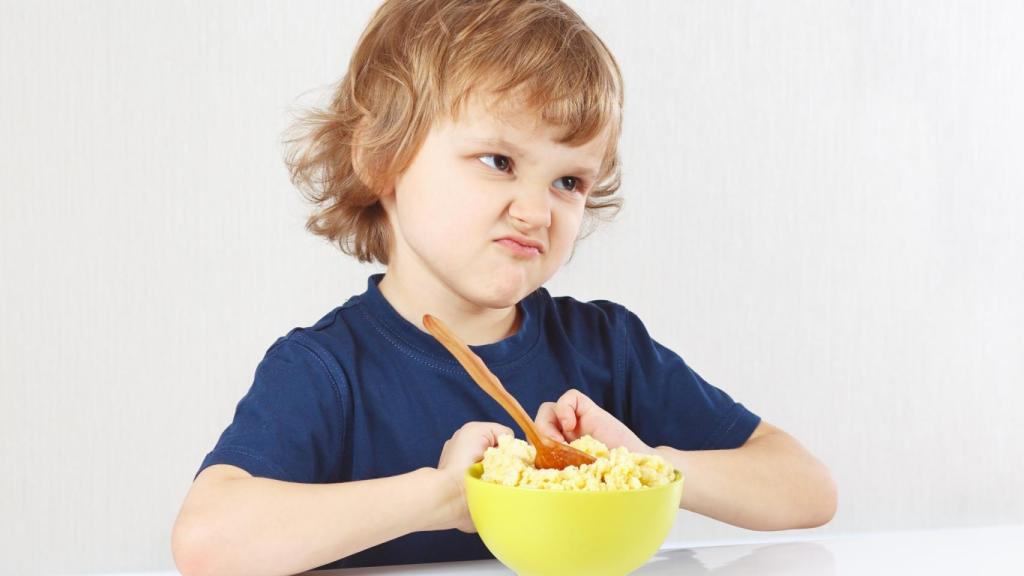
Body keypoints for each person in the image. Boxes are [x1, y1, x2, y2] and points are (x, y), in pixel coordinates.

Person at [171, 1, 837, 574]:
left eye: (568, 182)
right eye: (499, 162)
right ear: (382, 157)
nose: (536, 211)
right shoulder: (327, 370)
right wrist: (443, 496)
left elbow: (807, 489)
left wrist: (643, 465)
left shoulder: (606, 349)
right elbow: (207, 541)